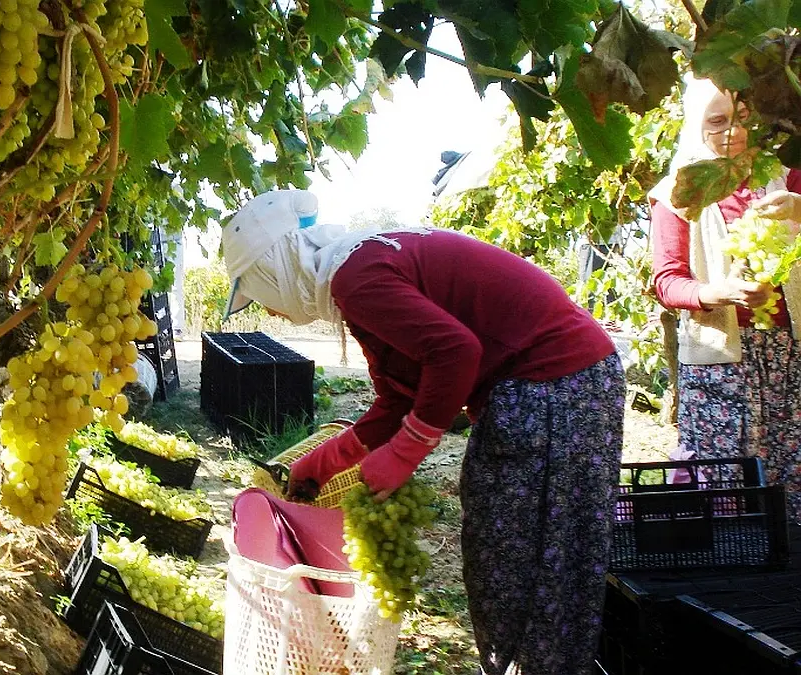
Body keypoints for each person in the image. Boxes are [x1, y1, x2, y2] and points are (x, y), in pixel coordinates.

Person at [221, 189, 623, 675]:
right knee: (509, 557)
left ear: (273, 270)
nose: (267, 311)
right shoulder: (356, 269)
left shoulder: (356, 277)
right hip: (562, 386)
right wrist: (325, 461)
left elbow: (456, 354)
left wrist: (406, 452)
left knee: (530, 565)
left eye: (256, 295)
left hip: (558, 389)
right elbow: (399, 398)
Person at [649, 75, 801, 516]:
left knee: (792, 480)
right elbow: (667, 280)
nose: (731, 132)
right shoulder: (677, 193)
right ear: (696, 125)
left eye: (744, 119)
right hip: (721, 363)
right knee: (727, 485)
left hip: (790, 356)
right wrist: (719, 292)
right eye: (716, 122)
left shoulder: (787, 177)